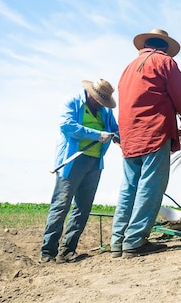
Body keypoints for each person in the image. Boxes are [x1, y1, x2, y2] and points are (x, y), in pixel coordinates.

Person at [111, 29, 181, 258]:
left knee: (129, 187)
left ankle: (118, 241)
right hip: (154, 132)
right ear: (165, 47)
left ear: (144, 45)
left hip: (129, 135)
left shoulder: (128, 68)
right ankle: (135, 241)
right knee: (150, 186)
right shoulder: (165, 62)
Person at [40, 78, 119, 264]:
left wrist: (121, 138)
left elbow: (115, 130)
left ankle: (67, 251)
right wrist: (96, 134)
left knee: (83, 208)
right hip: (72, 161)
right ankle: (47, 252)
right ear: (91, 94)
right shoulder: (72, 102)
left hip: (95, 163)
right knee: (61, 205)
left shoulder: (105, 112)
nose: (100, 104)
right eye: (99, 100)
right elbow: (66, 126)